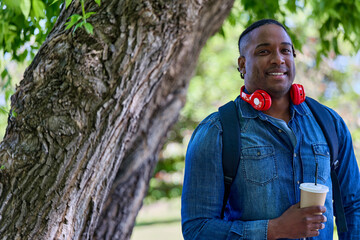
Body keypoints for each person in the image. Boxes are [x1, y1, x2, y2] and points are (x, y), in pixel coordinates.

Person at [181, 19, 360, 240]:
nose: (278, 59)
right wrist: (274, 229)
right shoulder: (216, 132)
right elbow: (197, 229)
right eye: (264, 51)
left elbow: (354, 205)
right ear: (242, 64)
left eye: (286, 50)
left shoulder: (330, 123)